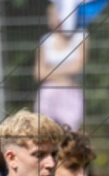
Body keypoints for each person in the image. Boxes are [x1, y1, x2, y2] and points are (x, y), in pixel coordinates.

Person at [34, 2, 88, 131]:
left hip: (71, 92)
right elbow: (38, 73)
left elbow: (78, 67)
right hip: (48, 94)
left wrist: (50, 71)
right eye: (54, 16)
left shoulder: (81, 37)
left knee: (70, 133)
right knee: (45, 132)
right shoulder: (45, 41)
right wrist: (65, 73)